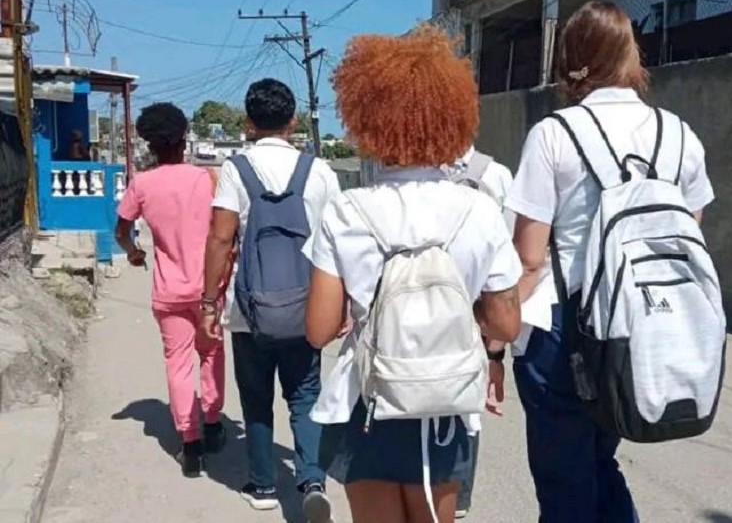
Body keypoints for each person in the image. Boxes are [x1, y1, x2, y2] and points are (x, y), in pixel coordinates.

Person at [505, 2, 715, 522]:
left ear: (571, 58)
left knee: (564, 480)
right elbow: (687, 233)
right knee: (602, 461)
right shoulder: (679, 134)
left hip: (563, 325)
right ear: (629, 53)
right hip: (637, 325)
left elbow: (529, 258)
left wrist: (494, 337)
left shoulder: (554, 133)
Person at [304, 26, 522, 523]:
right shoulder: (479, 209)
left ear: (365, 118)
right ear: (454, 115)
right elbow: (506, 324)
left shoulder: (346, 210)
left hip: (368, 398)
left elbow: (318, 330)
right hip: (445, 398)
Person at [202, 78, 340, 520]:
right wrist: (343, 307)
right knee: (306, 395)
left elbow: (221, 238)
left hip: (250, 310)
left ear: (247, 123)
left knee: (256, 398)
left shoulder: (235, 169)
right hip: (307, 307)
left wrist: (209, 302)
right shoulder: (319, 171)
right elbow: (338, 242)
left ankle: (262, 485)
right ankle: (312, 480)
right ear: (293, 120)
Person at [115, 103, 226, 478]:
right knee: (211, 354)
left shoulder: (142, 185)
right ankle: (214, 423)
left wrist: (134, 253)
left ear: (151, 145)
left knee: (178, 364)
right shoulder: (207, 179)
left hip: (168, 292)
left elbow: (121, 231)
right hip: (208, 288)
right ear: (183, 140)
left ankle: (190, 445)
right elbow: (224, 229)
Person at [444, 146, 514, 519]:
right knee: (468, 404)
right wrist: (495, 350)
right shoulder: (497, 175)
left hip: (430, 309)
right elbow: (508, 266)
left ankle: (443, 490)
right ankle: (458, 496)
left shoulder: (419, 175)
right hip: (477, 311)